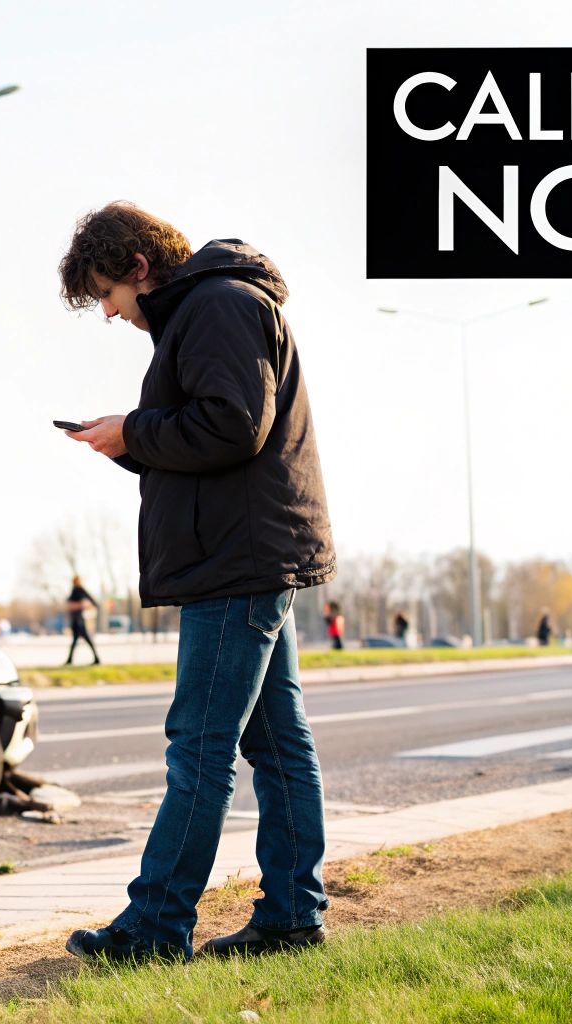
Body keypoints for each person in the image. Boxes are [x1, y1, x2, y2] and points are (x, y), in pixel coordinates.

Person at [56, 202, 335, 962]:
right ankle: (292, 916)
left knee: (200, 749)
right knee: (277, 747)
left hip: (237, 562)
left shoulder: (218, 305)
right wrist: (129, 444)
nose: (111, 314)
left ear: (139, 268)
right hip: (244, 552)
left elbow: (233, 423)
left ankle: (156, 928)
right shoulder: (214, 305)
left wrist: (134, 430)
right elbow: (218, 435)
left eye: (109, 296)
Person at [64, 575, 101, 665]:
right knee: (76, 641)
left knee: (85, 640)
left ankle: (96, 659)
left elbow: (93, 602)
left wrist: (83, 606)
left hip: (79, 620)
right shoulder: (73, 590)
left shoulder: (80, 589)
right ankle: (70, 660)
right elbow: (68, 603)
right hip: (75, 620)